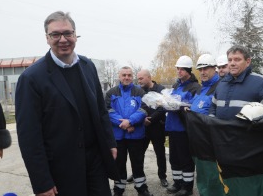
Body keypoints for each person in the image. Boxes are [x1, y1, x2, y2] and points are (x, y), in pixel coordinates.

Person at [15, 11, 119, 196]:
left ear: (75, 35)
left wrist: (110, 143)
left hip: (95, 163)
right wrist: (42, 182)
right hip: (61, 170)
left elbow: (101, 111)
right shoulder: (31, 78)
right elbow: (29, 137)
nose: (63, 39)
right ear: (47, 38)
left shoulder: (88, 66)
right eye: (56, 34)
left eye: (68, 33)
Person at [105, 66, 153, 196]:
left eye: (129, 75)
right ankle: (119, 188)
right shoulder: (111, 93)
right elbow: (108, 111)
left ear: (132, 77)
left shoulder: (140, 92)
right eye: (124, 75)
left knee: (138, 163)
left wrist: (130, 121)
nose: (126, 77)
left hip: (136, 135)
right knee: (119, 164)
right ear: (119, 76)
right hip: (118, 136)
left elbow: (143, 110)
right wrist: (125, 124)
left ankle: (142, 188)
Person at [210, 45, 263, 132]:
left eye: (237, 59)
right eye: (230, 60)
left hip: (248, 142)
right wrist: (211, 121)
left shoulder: (262, 83)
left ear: (248, 62)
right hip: (221, 140)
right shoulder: (221, 84)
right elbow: (213, 107)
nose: (232, 63)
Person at [186, 54, 224, 196]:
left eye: (206, 68)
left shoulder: (220, 88)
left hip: (211, 144)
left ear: (214, 68)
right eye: (200, 69)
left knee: (213, 180)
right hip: (198, 142)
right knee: (202, 179)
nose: (202, 72)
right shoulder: (201, 89)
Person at [165, 56, 200, 196]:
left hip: (184, 128)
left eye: (181, 69)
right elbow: (170, 102)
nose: (178, 71)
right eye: (177, 69)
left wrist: (178, 106)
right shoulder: (175, 85)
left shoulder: (195, 87)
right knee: (174, 158)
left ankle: (187, 187)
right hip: (172, 127)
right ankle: (177, 183)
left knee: (185, 159)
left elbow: (192, 107)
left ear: (188, 70)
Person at [136, 69, 168, 187]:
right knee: (139, 153)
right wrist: (142, 119)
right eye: (138, 79)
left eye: (141, 78)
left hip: (157, 127)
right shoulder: (138, 91)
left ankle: (162, 177)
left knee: (160, 153)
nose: (139, 81)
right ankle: (137, 174)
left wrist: (151, 119)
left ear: (149, 77)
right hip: (143, 127)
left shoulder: (161, 90)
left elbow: (163, 107)